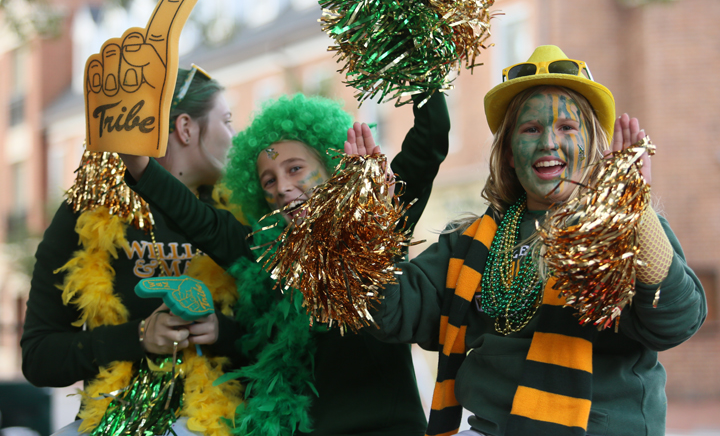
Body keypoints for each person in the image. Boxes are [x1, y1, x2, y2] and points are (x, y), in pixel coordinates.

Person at [365, 45, 707, 436]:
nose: (548, 142)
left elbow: (676, 322)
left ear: (592, 145)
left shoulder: (624, 230)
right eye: (530, 129)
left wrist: (635, 212)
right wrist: (363, 230)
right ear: (510, 153)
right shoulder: (471, 241)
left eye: (566, 128)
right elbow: (390, 313)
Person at [120, 90, 451, 435]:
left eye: (295, 169)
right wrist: (138, 163)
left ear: (331, 167)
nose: (282, 187)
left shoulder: (374, 221)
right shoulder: (267, 253)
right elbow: (199, 220)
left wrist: (421, 73)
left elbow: (428, 144)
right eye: (269, 181)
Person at [21, 66, 244, 436]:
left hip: (224, 423)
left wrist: (220, 331)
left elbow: (279, 341)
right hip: (114, 422)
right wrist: (139, 337)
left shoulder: (242, 218)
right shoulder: (87, 214)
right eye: (227, 121)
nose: (234, 137)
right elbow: (38, 357)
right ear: (186, 128)